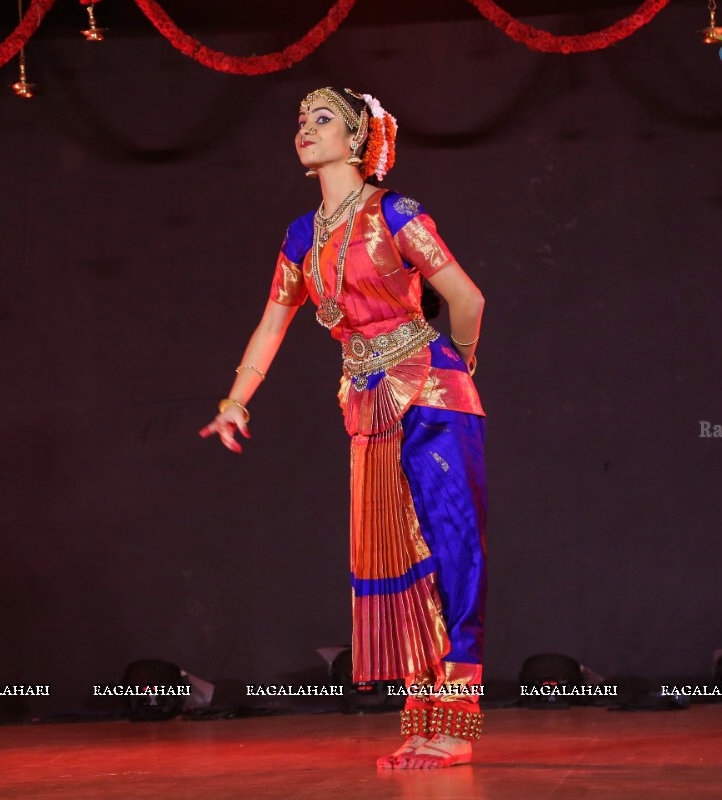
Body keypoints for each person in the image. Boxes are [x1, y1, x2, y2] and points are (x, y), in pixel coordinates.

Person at [200, 87, 487, 769]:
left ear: (359, 139)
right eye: (300, 120)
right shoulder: (302, 236)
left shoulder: (398, 214)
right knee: (396, 558)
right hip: (365, 405)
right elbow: (274, 322)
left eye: (321, 119)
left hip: (431, 395)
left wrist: (456, 364)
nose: (304, 129)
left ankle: (458, 725)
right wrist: (235, 401)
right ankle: (423, 718)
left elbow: (467, 298)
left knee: (450, 549)